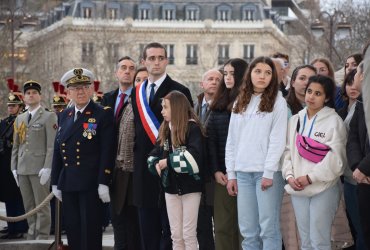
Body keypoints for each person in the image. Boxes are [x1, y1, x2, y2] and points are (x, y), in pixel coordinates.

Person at [131, 42, 193, 250]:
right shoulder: (136, 93)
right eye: (151, 58)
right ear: (143, 62)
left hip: (170, 168)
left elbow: (186, 132)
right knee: (146, 230)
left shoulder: (180, 91)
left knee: (171, 231)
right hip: (142, 168)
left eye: (160, 58)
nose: (156, 62)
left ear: (167, 60)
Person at [226, 56, 287, 249]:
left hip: (266, 174)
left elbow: (277, 140)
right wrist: (231, 175)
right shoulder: (239, 102)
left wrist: (269, 172)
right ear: (249, 74)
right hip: (242, 174)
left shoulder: (278, 102)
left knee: (268, 229)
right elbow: (232, 141)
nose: (262, 76)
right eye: (258, 71)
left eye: (268, 72)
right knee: (248, 231)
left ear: (273, 77)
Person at [51, 68, 114, 250]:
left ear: (92, 89)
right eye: (75, 88)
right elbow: (58, 149)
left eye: (85, 87)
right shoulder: (65, 115)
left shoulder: (101, 113)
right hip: (69, 183)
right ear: (68, 92)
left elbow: (106, 150)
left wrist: (104, 180)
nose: (81, 92)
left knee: (91, 230)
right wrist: (56, 181)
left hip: (91, 183)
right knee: (73, 230)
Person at [282, 75, 347, 250]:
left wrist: (310, 177)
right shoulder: (295, 120)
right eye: (309, 91)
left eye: (318, 93)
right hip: (298, 188)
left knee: (319, 240)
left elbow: (337, 160)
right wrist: (289, 176)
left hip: (324, 188)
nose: (311, 96)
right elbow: (287, 151)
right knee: (306, 241)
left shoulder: (335, 122)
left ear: (326, 98)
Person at [148, 91, 205, 250]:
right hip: (170, 188)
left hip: (190, 188)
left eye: (165, 107)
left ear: (177, 108)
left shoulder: (192, 128)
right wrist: (155, 164)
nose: (162, 111)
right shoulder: (165, 128)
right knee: (176, 235)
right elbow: (155, 153)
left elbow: (193, 158)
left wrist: (167, 162)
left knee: (188, 233)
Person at [207, 58, 248, 250]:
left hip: (247, 173)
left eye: (233, 73)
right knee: (223, 226)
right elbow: (211, 141)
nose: (228, 77)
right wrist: (216, 170)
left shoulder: (250, 103)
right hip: (223, 175)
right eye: (226, 73)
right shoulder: (218, 104)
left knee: (245, 227)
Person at [101, 56, 141, 250]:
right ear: (116, 72)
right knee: (116, 220)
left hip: (131, 168)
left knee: (132, 222)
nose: (127, 71)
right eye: (123, 68)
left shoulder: (140, 98)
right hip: (111, 168)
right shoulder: (106, 99)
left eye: (132, 68)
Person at [11, 80, 57, 240]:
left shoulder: (49, 116)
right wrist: (14, 168)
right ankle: (32, 232)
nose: (31, 95)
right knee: (29, 205)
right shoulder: (20, 118)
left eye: (34, 93)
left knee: (41, 206)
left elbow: (51, 145)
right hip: (23, 168)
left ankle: (42, 235)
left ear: (40, 96)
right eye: (28, 93)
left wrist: (48, 167)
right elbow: (16, 145)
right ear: (24, 97)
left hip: (40, 168)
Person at [281, 65, 316, 250]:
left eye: (311, 79)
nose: (306, 83)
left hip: (317, 179)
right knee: (292, 232)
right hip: (290, 177)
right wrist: (290, 175)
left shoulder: (325, 111)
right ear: (292, 82)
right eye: (302, 78)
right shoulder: (283, 108)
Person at [194, 68, 222, 250]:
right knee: (201, 227)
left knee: (220, 226)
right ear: (201, 84)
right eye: (210, 79)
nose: (214, 82)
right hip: (197, 178)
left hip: (218, 176)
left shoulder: (227, 108)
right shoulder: (192, 108)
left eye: (217, 79)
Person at [0, 84, 28, 239]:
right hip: (5, 164)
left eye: (14, 105)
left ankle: (20, 226)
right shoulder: (4, 122)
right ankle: (11, 226)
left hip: (17, 163)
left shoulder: (22, 121)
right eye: (9, 105)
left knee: (18, 196)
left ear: (20, 107)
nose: (11, 108)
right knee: (8, 195)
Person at [347, 61, 369, 250]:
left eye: (355, 73)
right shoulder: (362, 101)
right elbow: (353, 136)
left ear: (362, 75)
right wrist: (357, 166)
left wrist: (364, 166)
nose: (353, 77)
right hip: (363, 180)